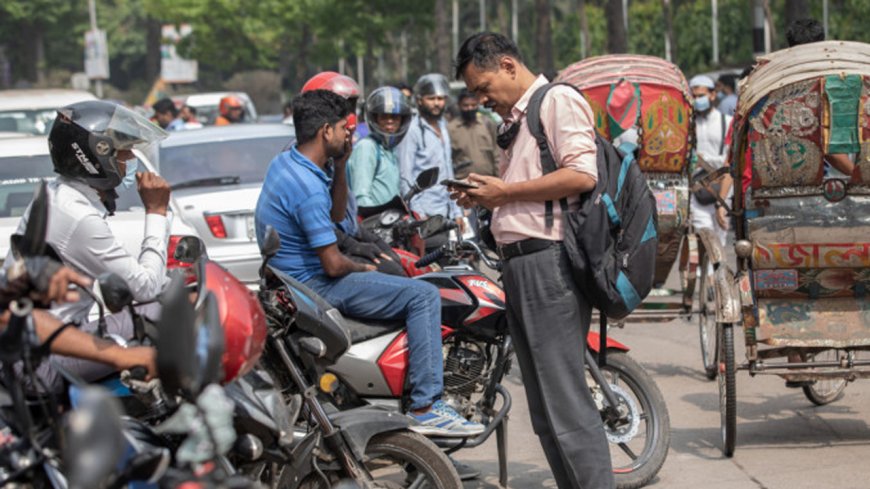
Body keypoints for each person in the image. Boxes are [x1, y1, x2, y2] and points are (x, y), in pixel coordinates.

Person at [254, 89, 485, 439]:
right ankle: (426, 406)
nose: (352, 134)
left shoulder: (289, 163)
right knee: (422, 295)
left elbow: (336, 216)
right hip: (314, 284)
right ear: (325, 131)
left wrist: (342, 164)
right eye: (345, 128)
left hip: (292, 280)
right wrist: (365, 269)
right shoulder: (306, 185)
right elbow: (333, 264)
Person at [453, 32, 613, 489]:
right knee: (544, 410)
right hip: (521, 265)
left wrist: (505, 193)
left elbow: (582, 174)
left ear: (508, 65)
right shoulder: (519, 121)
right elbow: (530, 190)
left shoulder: (555, 101)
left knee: (565, 402)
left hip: (549, 264)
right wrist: (489, 195)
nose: (482, 100)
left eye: (483, 87)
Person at [7, 100, 172, 392]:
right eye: (123, 151)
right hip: (41, 362)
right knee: (165, 310)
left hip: (28, 348)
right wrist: (157, 212)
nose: (130, 158)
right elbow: (146, 288)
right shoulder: (77, 216)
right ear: (99, 154)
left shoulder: (57, 195)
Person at [300, 73, 404, 277]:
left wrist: (374, 242)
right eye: (339, 110)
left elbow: (344, 218)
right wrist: (355, 246)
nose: (347, 117)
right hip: (320, 258)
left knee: (399, 262)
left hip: (342, 240)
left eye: (349, 108)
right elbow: (321, 223)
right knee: (396, 277)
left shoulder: (334, 158)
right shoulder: (308, 162)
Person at [0, 259, 156, 384]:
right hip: (26, 376)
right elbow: (18, 321)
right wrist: (120, 355)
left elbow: (16, 316)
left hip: (23, 366)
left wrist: (20, 280)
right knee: (154, 312)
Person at [395, 74, 463, 229]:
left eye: (440, 98)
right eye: (431, 99)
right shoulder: (412, 130)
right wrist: (418, 215)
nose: (437, 103)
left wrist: (456, 211)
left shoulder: (443, 126)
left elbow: (448, 171)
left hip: (445, 211)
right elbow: (405, 176)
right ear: (419, 100)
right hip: (425, 213)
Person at [347, 86, 411, 208]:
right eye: (384, 117)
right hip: (374, 223)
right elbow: (361, 197)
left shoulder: (389, 148)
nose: (390, 121)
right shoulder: (367, 147)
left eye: (395, 117)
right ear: (375, 119)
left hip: (390, 222)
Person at [689, 74, 731, 248]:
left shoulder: (727, 122)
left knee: (719, 241)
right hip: (696, 189)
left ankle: (714, 275)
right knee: (702, 238)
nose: (698, 100)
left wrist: (706, 160)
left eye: (701, 96)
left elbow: (729, 161)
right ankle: (703, 274)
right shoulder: (689, 124)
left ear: (712, 95)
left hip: (723, 189)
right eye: (694, 97)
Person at [448, 89, 499, 180]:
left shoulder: (487, 124)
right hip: (463, 183)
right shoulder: (451, 129)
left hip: (488, 182)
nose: (469, 108)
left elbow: (497, 153)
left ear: (478, 104)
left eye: (473, 105)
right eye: (466, 105)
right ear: (459, 105)